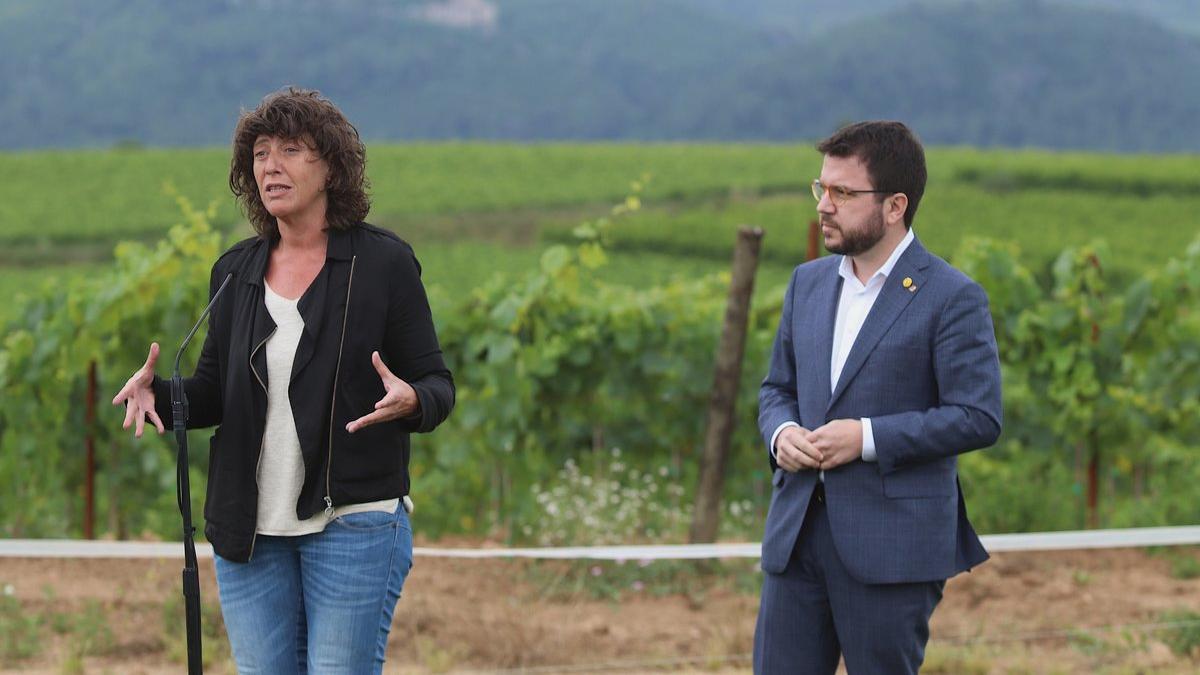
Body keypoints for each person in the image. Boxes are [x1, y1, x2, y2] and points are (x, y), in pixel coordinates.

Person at [112, 87, 455, 673]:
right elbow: (215, 393)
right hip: (251, 529)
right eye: (261, 152)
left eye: (291, 149)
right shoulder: (236, 270)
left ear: (331, 168)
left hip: (355, 522)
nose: (271, 165)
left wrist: (413, 400)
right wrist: (162, 398)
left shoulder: (383, 265)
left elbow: (436, 384)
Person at [753, 121, 1001, 674]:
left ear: (895, 206)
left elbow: (978, 416)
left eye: (844, 193)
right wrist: (781, 434)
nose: (825, 206)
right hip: (795, 537)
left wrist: (864, 438)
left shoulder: (952, 297)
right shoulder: (807, 283)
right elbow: (777, 389)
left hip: (892, 548)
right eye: (822, 188)